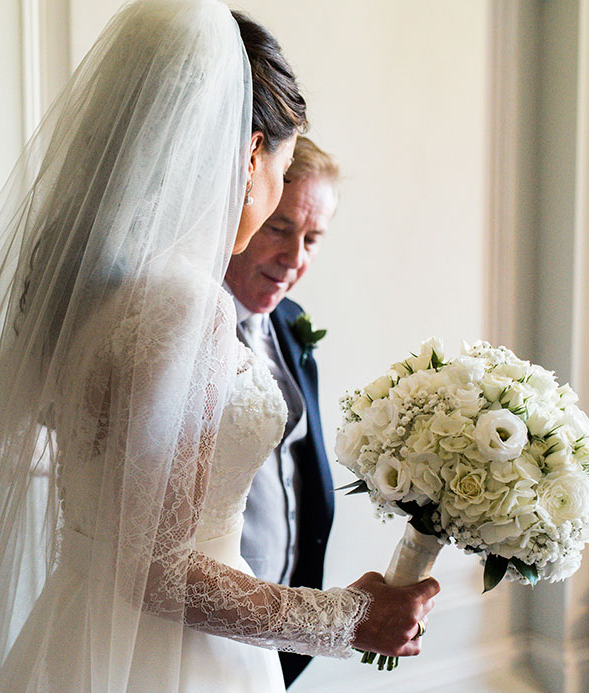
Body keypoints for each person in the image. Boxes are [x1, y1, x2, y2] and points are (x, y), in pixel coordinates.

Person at [0, 2, 437, 691]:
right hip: (174, 660)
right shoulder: (188, 302)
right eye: (279, 162)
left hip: (71, 625)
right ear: (250, 153)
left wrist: (98, 481)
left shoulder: (86, 282)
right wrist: (344, 617)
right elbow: (154, 568)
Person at [228, 136, 343, 687]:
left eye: (312, 238)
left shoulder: (290, 321)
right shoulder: (171, 336)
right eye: (279, 228)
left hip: (278, 639)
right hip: (202, 627)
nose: (295, 259)